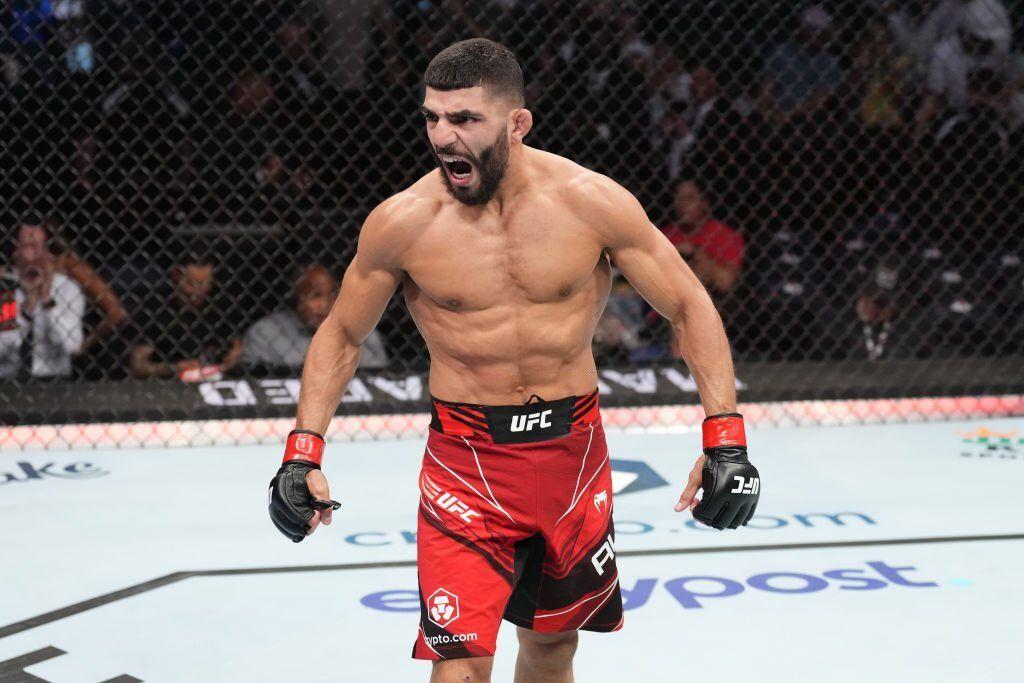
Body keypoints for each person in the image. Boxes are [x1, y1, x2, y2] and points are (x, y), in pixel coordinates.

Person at [266, 39, 760, 683]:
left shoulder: (591, 202)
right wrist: (303, 450)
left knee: (553, 647)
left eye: (465, 119)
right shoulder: (405, 221)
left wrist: (725, 439)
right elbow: (342, 334)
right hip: (466, 462)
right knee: (461, 663)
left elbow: (689, 303)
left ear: (517, 123)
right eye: (432, 118)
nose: (443, 137)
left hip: (573, 456)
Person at [241, 264, 389, 370]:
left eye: (332, 295)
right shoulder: (266, 332)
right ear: (297, 299)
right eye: (315, 296)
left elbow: (378, 375)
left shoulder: (362, 331)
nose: (325, 305)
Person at [128, 248, 241, 380]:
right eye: (192, 284)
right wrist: (175, 368)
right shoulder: (154, 309)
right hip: (166, 385)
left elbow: (236, 347)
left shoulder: (220, 306)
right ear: (176, 275)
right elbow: (138, 366)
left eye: (205, 283)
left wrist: (232, 358)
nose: (198, 292)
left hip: (214, 380)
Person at [0, 221, 85, 379]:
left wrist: (47, 302)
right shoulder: (5, 288)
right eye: (29, 247)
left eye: (41, 246)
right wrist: (26, 311)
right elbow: (2, 349)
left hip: (54, 380)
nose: (37, 254)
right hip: (8, 382)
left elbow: (72, 346)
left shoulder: (66, 288)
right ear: (15, 252)